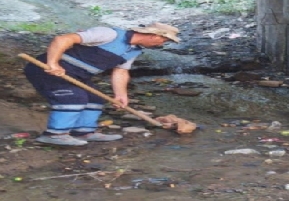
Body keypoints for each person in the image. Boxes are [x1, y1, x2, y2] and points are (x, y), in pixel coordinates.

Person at [24, 22, 181, 146]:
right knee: (73, 98)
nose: (162, 44)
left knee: (95, 99)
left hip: (79, 75)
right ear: (154, 36)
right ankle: (54, 135)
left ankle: (84, 132)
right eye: (164, 40)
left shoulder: (134, 50)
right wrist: (53, 63)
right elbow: (63, 39)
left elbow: (120, 71)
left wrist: (120, 95)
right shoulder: (109, 34)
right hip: (47, 69)